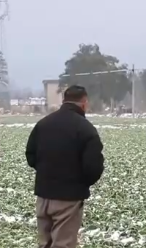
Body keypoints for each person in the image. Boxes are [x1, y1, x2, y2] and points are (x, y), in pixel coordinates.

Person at [26, 85, 104, 248]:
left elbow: (31, 156)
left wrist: (47, 173)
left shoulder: (43, 124)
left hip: (43, 196)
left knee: (44, 244)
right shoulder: (86, 129)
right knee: (63, 244)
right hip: (68, 198)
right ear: (84, 103)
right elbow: (93, 167)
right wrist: (79, 184)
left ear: (64, 100)